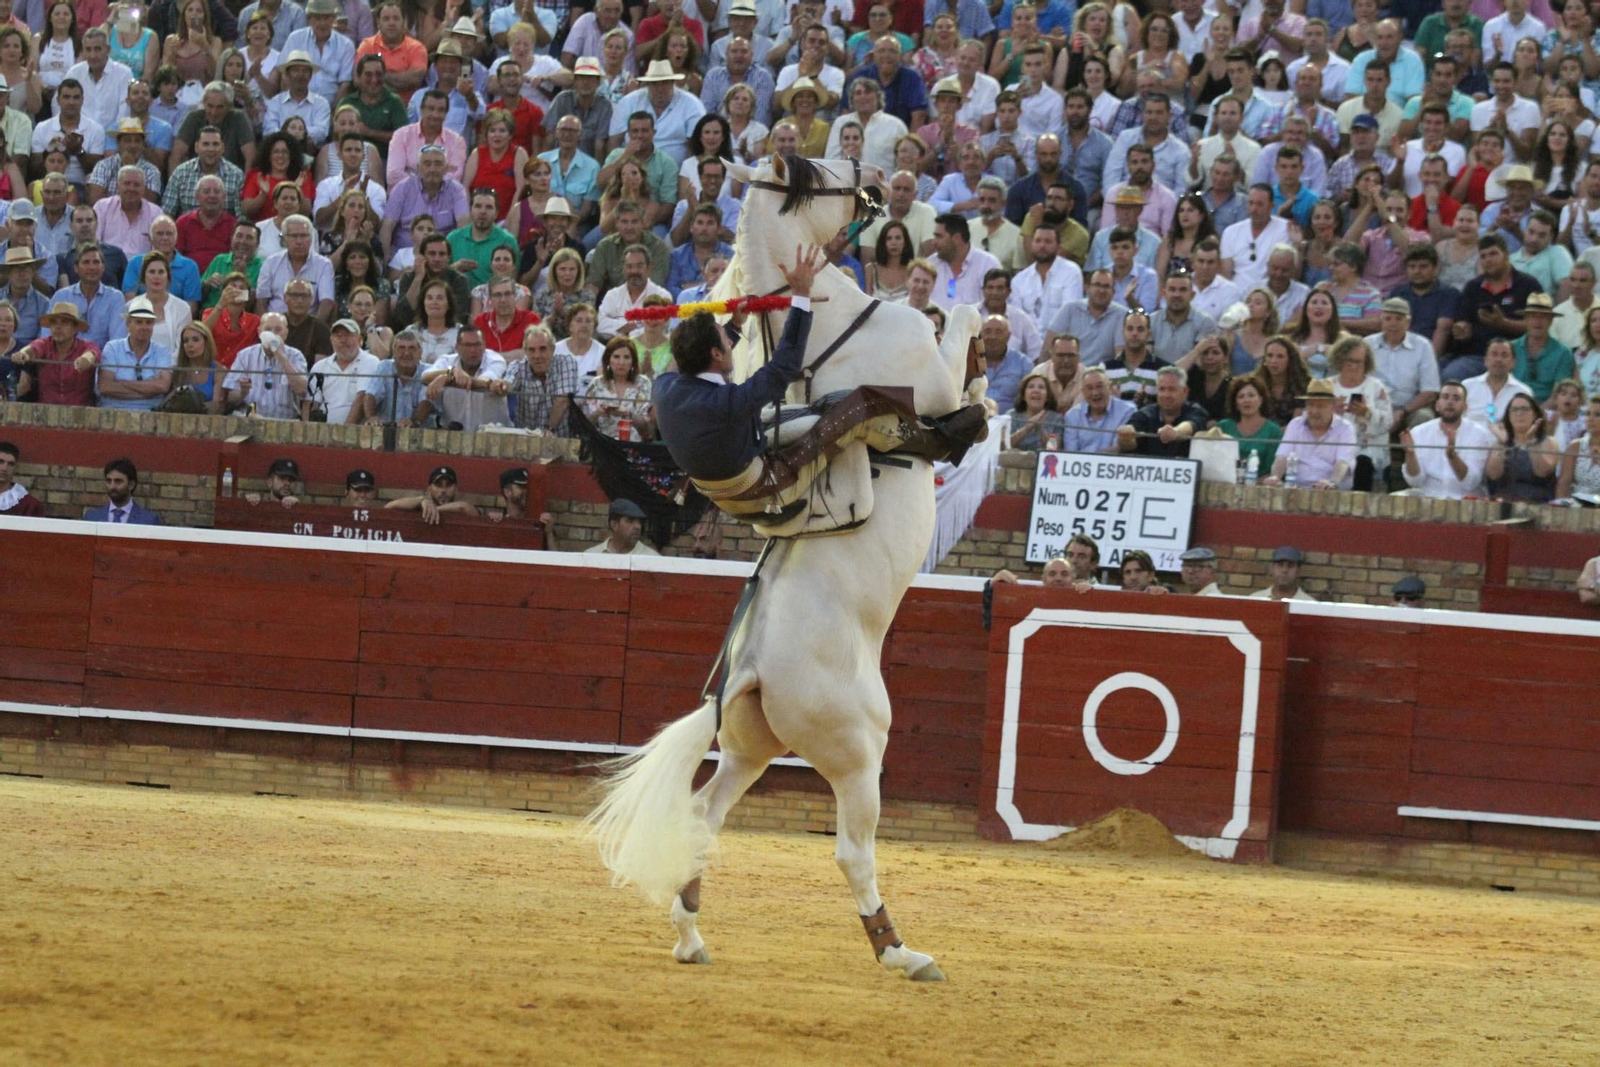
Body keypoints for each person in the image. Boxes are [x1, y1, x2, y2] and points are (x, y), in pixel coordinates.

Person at [652, 245, 822, 483]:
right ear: (716, 354)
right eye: (725, 340)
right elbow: (784, 365)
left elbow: (680, 361)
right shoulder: (728, 402)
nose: (731, 345)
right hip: (744, 477)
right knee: (822, 420)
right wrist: (801, 294)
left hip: (703, 471)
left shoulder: (662, 388)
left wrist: (733, 326)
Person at [1400, 380, 1496, 498]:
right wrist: (1410, 454)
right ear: (1437, 405)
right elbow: (1414, 482)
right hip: (1428, 497)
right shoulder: (1419, 432)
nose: (1450, 402)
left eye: (1456, 398)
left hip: (1464, 500)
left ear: (1465, 407)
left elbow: (1471, 483)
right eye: (1445, 397)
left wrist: (1452, 456)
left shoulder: (1479, 434)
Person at [1260, 378, 1357, 489]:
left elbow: (1343, 462)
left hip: (1332, 494)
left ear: (1333, 407)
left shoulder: (1345, 428)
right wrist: (1275, 477)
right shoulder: (1295, 425)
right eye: (1311, 405)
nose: (1314, 411)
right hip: (1296, 490)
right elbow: (1282, 457)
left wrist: (1332, 482)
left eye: (1320, 406)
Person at [16, 299, 103, 405]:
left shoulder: (87, 345)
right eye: (54, 322)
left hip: (81, 415)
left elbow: (92, 354)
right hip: (46, 413)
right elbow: (32, 349)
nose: (58, 327)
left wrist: (85, 359)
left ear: (75, 329)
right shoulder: (44, 343)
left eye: (65, 322)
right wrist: (22, 354)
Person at [1485, 391, 1561, 502]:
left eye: (1524, 409)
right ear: (1508, 416)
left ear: (1535, 414)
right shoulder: (1499, 443)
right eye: (1514, 410)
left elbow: (1542, 472)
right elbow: (1493, 475)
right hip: (1504, 503)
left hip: (1538, 504)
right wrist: (1502, 443)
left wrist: (1530, 442)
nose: (1519, 413)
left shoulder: (1548, 442)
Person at [1117, 365, 1210, 457]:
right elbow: (1127, 447)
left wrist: (1177, 431)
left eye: (1172, 389)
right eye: (1162, 389)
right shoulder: (1144, 414)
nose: (1166, 395)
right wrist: (1125, 438)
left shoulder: (1196, 410)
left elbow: (1191, 425)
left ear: (1185, 392)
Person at [1217, 375, 1284, 473]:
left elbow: (1273, 471)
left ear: (1261, 400)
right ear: (1235, 403)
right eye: (1241, 396)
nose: (1246, 400)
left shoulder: (1273, 431)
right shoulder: (1223, 427)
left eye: (1251, 395)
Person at [384, 464, 480, 525]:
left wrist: (433, 509)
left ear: (456, 489)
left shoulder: (461, 510)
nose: (443, 490)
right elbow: (388, 506)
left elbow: (465, 507)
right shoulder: (419, 506)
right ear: (429, 489)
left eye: (448, 485)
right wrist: (422, 500)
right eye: (438, 485)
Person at [82, 457, 162, 524]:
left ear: (131, 485)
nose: (112, 486)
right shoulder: (92, 518)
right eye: (109, 481)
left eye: (118, 481)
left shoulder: (149, 520)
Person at [584, 496, 658, 555]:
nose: (638, 526)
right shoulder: (591, 556)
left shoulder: (652, 559)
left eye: (640, 521)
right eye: (630, 520)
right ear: (614, 525)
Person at [1249, 545, 1315, 600]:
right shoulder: (1255, 599)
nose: (1284, 570)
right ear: (1272, 568)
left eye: (1290, 566)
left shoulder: (1310, 605)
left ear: (1298, 571)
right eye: (1280, 565)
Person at [0, 439, 44, 516]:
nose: (4, 468)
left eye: (10, 464)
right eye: (0, 462)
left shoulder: (29, 505)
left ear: (16, 467)